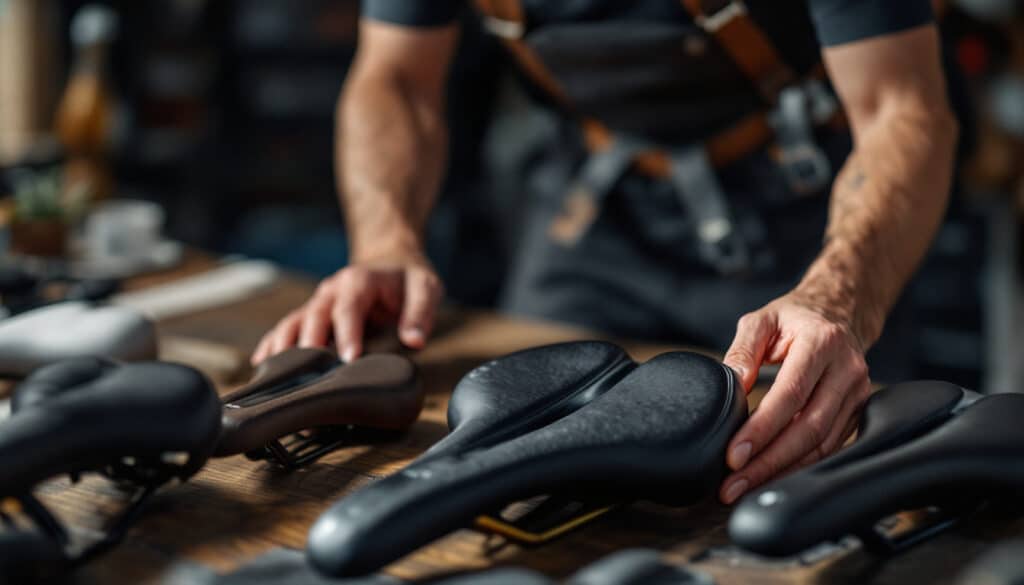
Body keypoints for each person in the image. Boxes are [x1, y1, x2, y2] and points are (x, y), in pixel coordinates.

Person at [253, 0, 959, 505]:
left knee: (825, 488)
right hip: (593, 209)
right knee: (520, 466)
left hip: (810, 223)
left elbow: (903, 107)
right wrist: (384, 240)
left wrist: (838, 296)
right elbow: (397, 78)